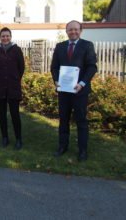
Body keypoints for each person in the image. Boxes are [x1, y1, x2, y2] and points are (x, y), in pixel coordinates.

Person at [50, 20, 97, 161]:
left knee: (81, 121)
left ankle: (82, 151)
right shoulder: (60, 46)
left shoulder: (87, 45)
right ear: (66, 31)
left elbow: (92, 67)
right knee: (63, 120)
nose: (73, 32)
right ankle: (62, 146)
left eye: (76, 29)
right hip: (64, 91)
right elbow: (54, 67)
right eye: (70, 29)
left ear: (80, 30)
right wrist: (56, 80)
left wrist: (82, 83)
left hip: (80, 91)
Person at [0, 27, 25, 150]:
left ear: (10, 37)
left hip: (13, 87)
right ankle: (5, 137)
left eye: (7, 36)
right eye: (3, 36)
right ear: (0, 37)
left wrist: (14, 78)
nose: (5, 38)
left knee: (15, 114)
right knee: (1, 114)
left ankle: (18, 139)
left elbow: (21, 68)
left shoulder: (17, 50)